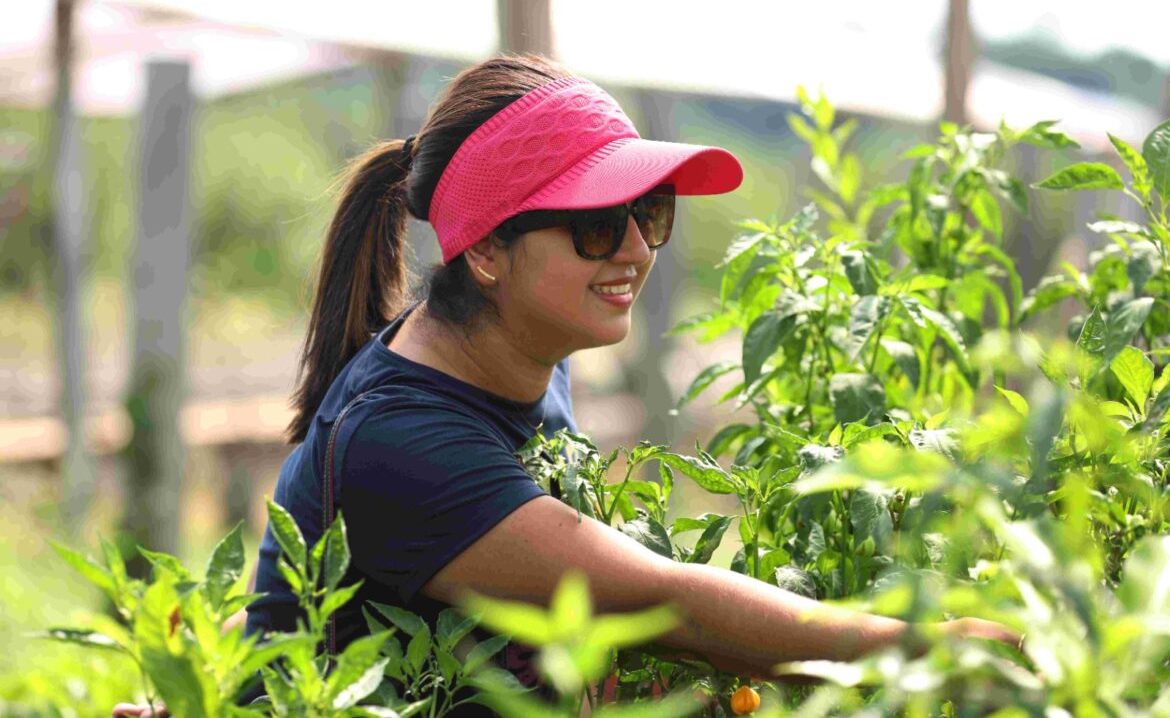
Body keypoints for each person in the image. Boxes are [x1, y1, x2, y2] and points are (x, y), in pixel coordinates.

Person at [112, 53, 1019, 718]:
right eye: (594, 225)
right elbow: (674, 607)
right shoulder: (402, 441)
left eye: (648, 213)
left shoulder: (516, 364)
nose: (633, 248)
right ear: (486, 250)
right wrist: (924, 650)